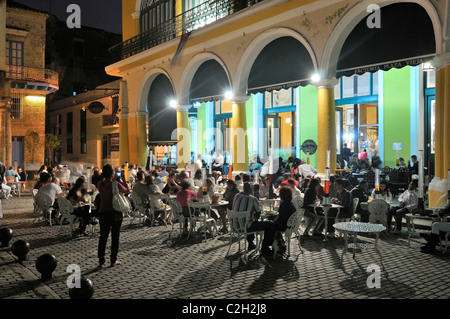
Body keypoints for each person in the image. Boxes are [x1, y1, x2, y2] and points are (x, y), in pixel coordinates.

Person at [97, 164, 130, 268]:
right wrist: (123, 179)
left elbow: (107, 184)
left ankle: (101, 260)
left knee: (103, 237)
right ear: (113, 173)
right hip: (115, 212)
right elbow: (127, 191)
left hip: (103, 212)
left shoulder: (99, 184)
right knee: (115, 237)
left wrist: (113, 178)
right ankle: (113, 260)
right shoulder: (116, 185)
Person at [233, 182, 275, 256]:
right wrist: (256, 216)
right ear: (250, 189)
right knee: (270, 224)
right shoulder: (252, 198)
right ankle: (265, 247)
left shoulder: (237, 196)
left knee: (250, 220)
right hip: (246, 226)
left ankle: (250, 243)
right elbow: (258, 212)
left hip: (236, 226)